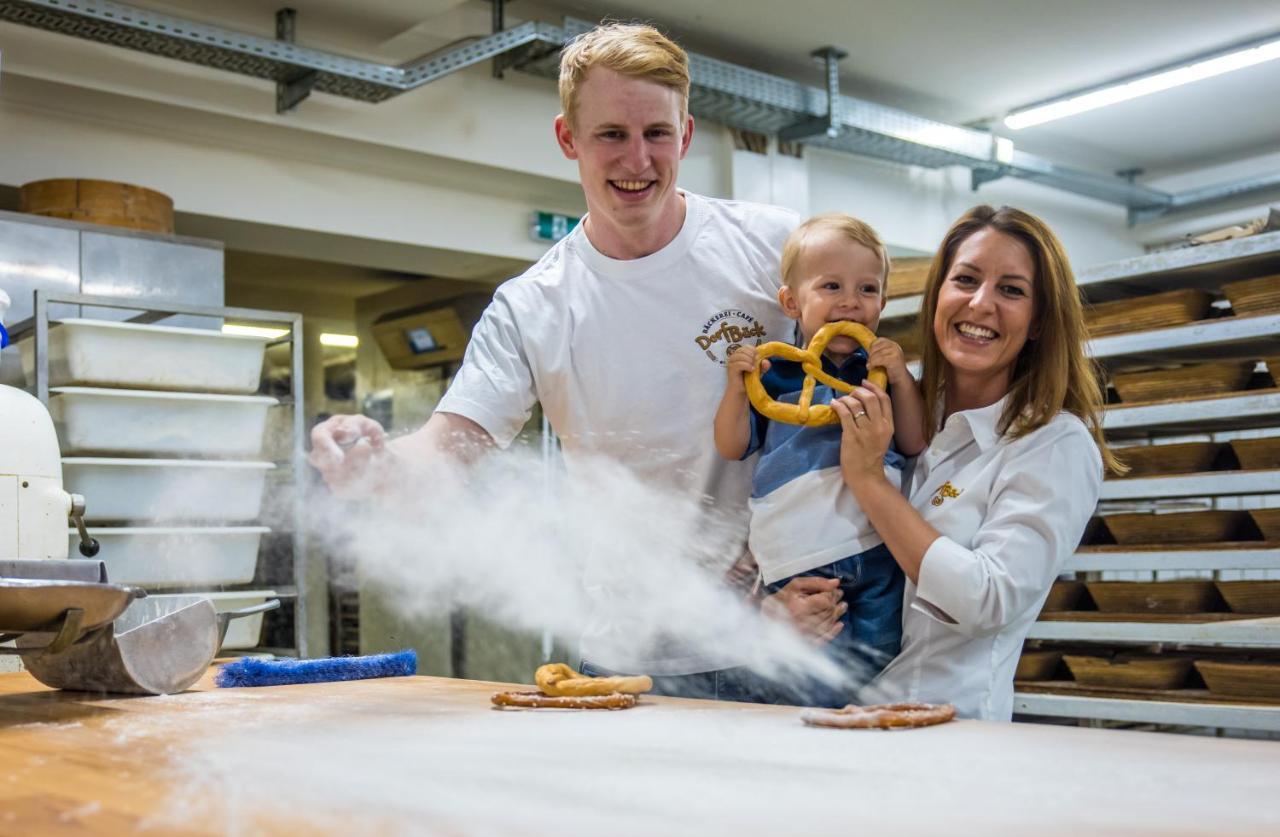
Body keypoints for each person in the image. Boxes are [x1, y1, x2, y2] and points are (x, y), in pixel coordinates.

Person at [308, 23, 839, 699]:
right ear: (569, 139)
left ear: (687, 136)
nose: (637, 160)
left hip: (785, 632)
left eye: (656, 134)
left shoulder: (772, 245)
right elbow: (452, 445)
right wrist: (375, 464)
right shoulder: (534, 305)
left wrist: (815, 560)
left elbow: (849, 396)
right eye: (611, 134)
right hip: (630, 649)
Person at [819, 204, 1121, 720]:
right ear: (937, 294)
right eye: (966, 279)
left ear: (1039, 322)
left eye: (1012, 290)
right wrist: (783, 607)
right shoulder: (891, 411)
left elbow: (988, 600)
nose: (980, 305)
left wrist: (870, 482)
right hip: (827, 719)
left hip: (942, 738)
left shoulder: (1055, 444)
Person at [712, 213, 925, 706]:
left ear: (882, 303)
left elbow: (913, 441)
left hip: (876, 546)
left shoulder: (880, 375)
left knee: (880, 663)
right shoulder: (778, 372)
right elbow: (730, 445)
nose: (851, 301)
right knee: (806, 675)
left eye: (867, 289)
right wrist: (734, 388)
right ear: (791, 302)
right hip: (797, 554)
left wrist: (901, 378)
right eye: (832, 286)